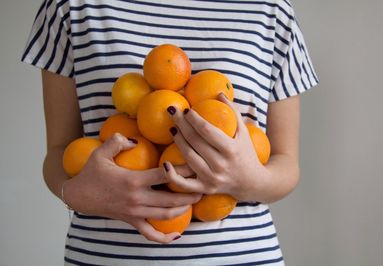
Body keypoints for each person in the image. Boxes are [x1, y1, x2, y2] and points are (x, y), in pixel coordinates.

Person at [22, 0, 318, 265]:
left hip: (242, 256)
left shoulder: (271, 10)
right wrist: (73, 193)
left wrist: (246, 180)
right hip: (106, 256)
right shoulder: (70, 7)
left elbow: (286, 163)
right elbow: (59, 153)